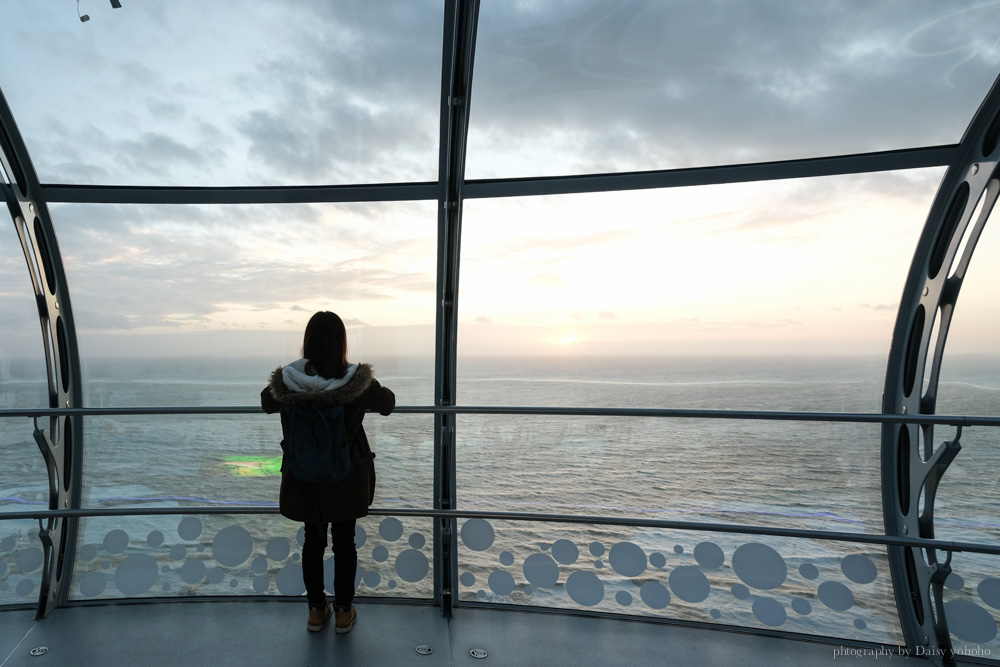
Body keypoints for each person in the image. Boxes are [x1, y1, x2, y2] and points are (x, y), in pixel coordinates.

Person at [260, 311, 395, 634]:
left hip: (305, 473)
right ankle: (345, 612)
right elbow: (388, 403)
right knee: (345, 542)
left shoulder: (288, 380)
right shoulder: (356, 381)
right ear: (341, 342)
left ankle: (317, 610)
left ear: (308, 341)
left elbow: (267, 402)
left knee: (312, 541)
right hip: (345, 475)